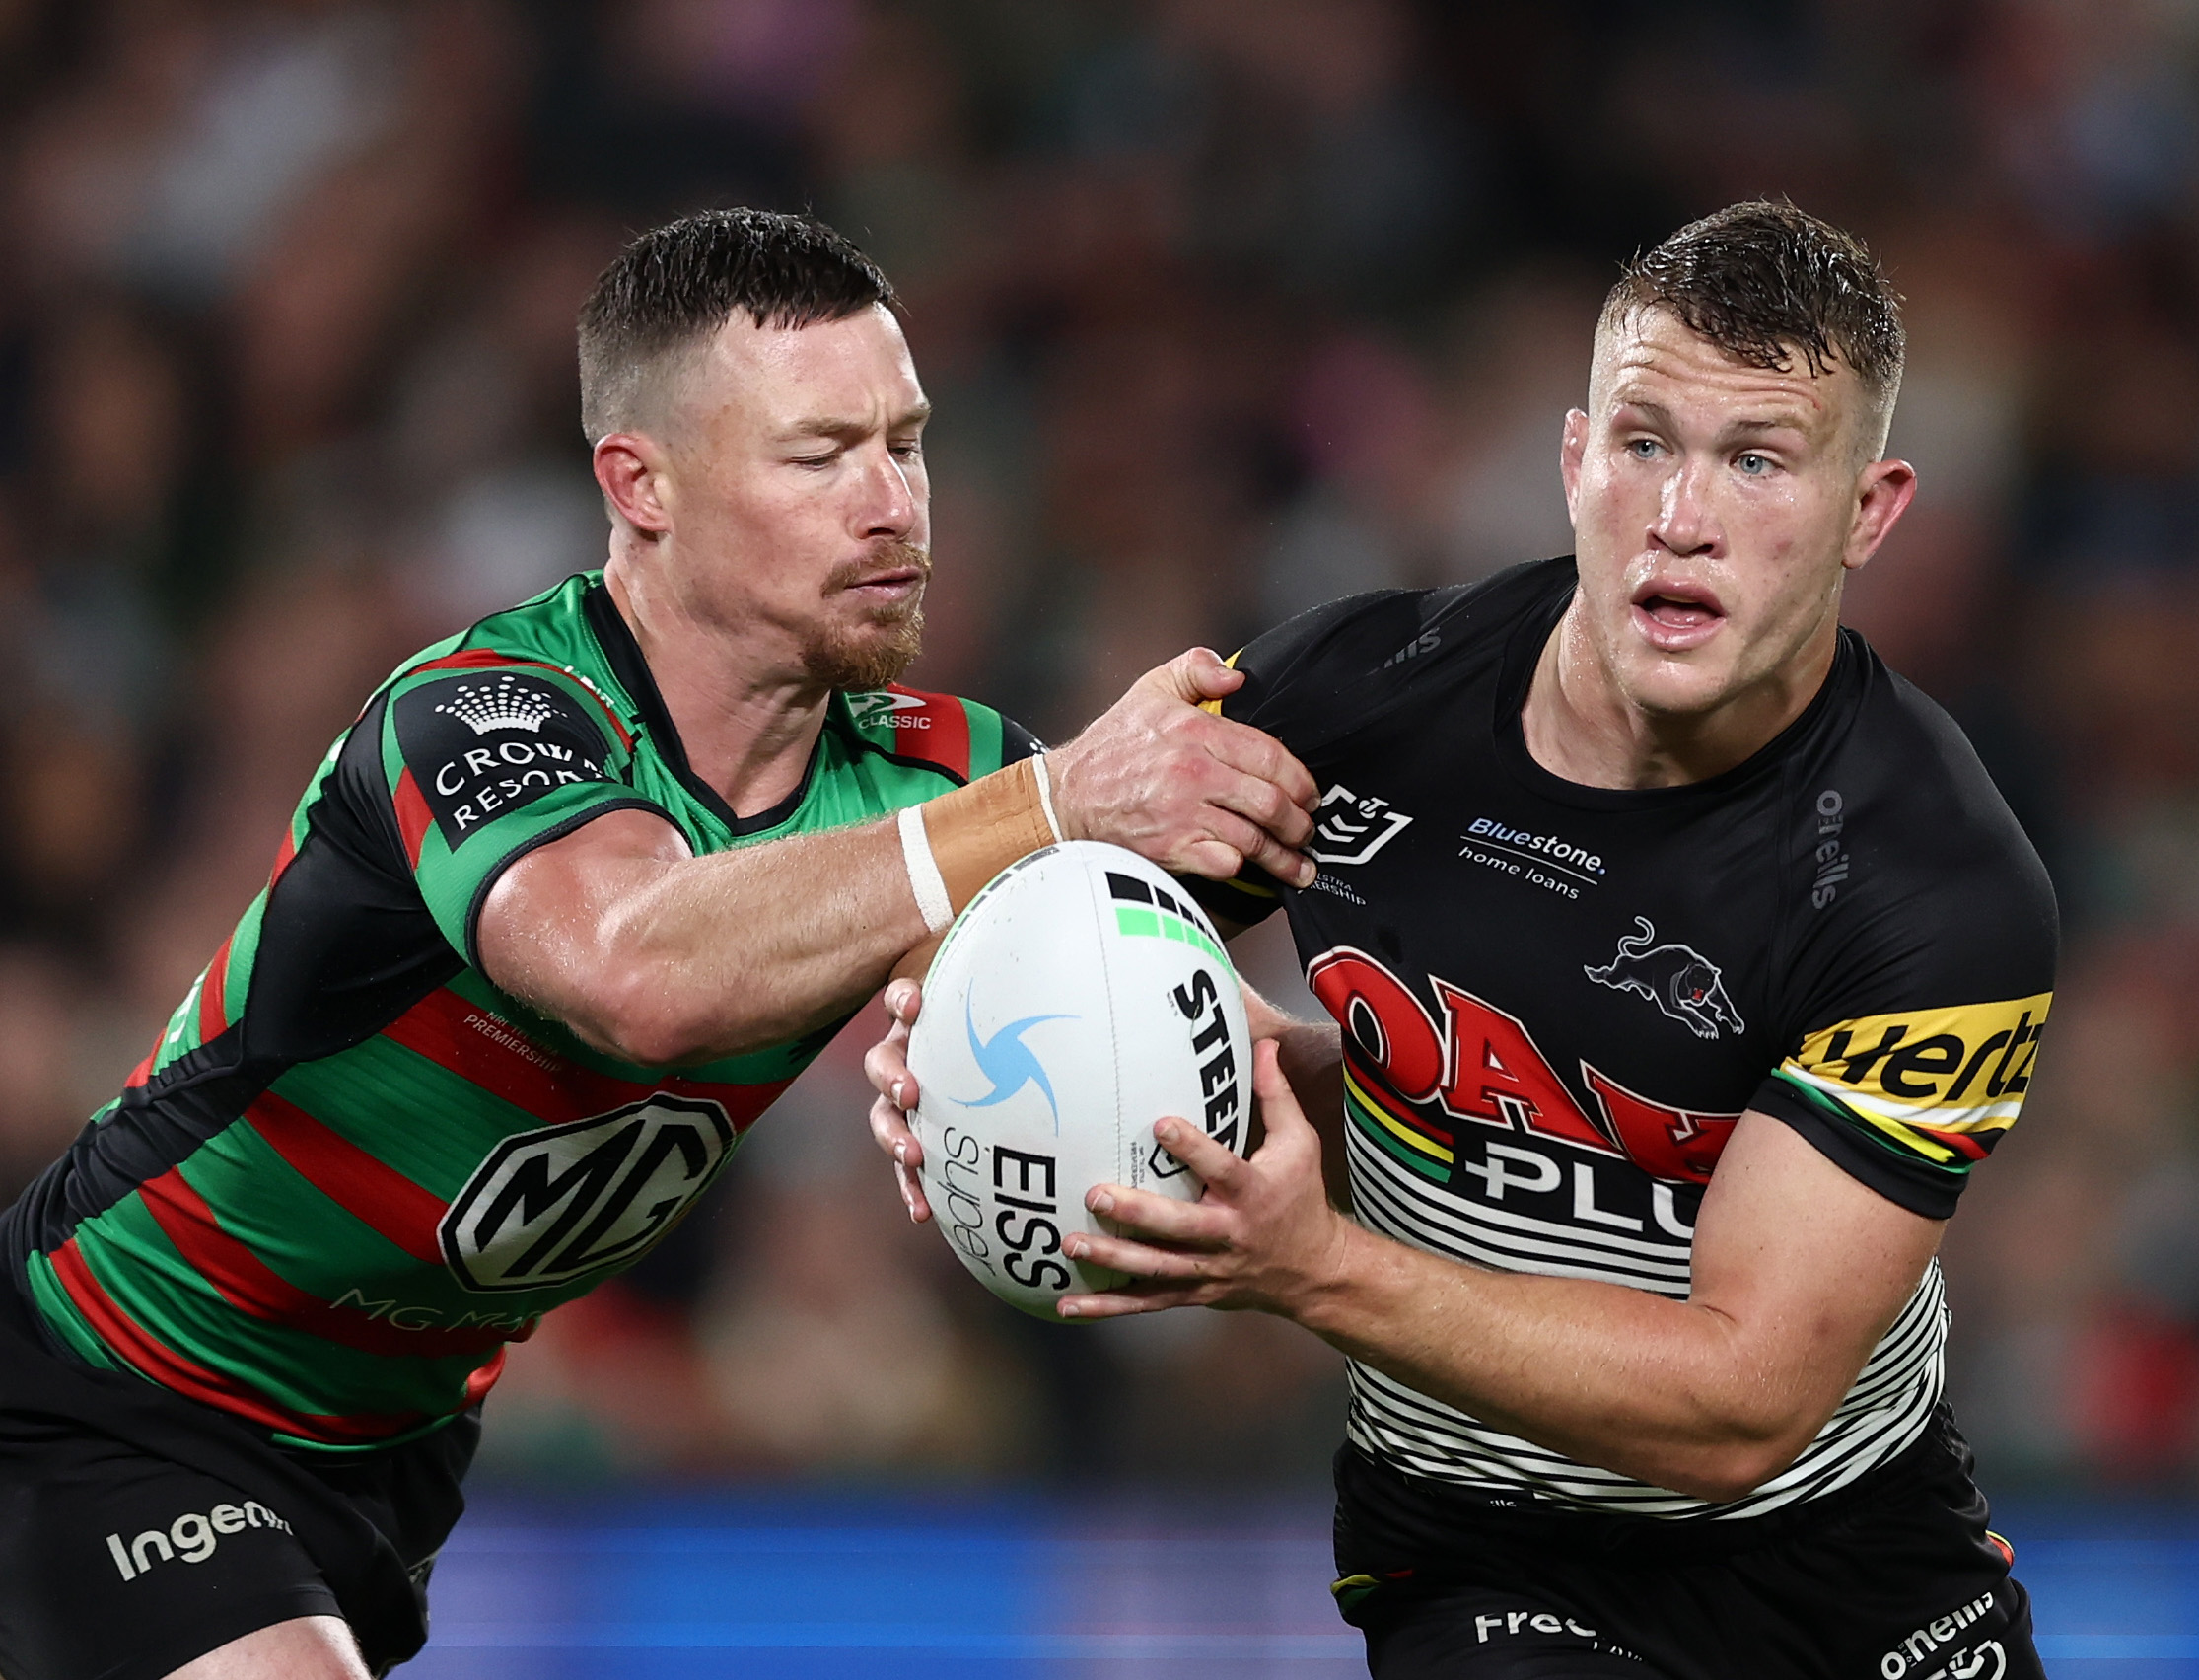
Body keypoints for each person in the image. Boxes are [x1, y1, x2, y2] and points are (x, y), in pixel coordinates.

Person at [0, 209, 1316, 1680]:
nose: (894, 504)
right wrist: (1065, 795)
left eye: (911, 441)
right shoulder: (482, 714)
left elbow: (1204, 1046)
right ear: (642, 485)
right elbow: (639, 970)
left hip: (391, 1456)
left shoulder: (945, 779)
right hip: (108, 1379)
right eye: (821, 457)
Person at [870, 200, 2058, 1678]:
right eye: (1642, 442)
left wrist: (1310, 1265)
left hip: (1850, 1559)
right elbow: (1046, 932)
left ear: (1868, 512)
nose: (1680, 514)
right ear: (1571, 463)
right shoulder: (1346, 706)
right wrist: (963, 1048)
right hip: (1483, 1543)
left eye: (1755, 459)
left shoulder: (1933, 887)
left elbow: (1744, 1406)